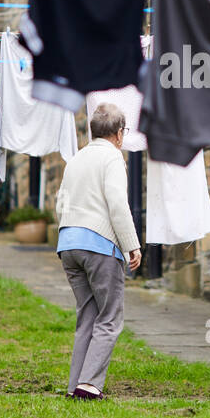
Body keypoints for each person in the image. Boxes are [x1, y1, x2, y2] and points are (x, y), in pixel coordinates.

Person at [54, 103, 142, 399]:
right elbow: (117, 204)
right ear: (119, 134)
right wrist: (132, 244)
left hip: (68, 244)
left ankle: (74, 386)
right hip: (99, 245)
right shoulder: (112, 158)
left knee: (88, 317)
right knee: (110, 317)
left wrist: (68, 231)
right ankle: (89, 385)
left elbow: (59, 203)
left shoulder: (76, 159)